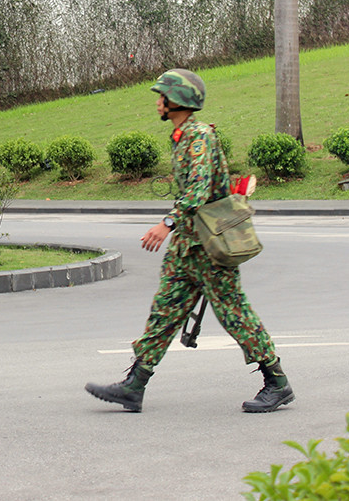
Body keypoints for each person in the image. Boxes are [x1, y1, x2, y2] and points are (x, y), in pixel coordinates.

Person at [84, 69, 294, 413]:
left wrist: (166, 224)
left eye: (162, 96)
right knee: (164, 311)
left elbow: (196, 192)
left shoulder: (199, 138)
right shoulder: (183, 136)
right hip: (187, 248)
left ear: (177, 100)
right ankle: (134, 385)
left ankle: (277, 382)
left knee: (234, 313)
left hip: (211, 248)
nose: (158, 102)